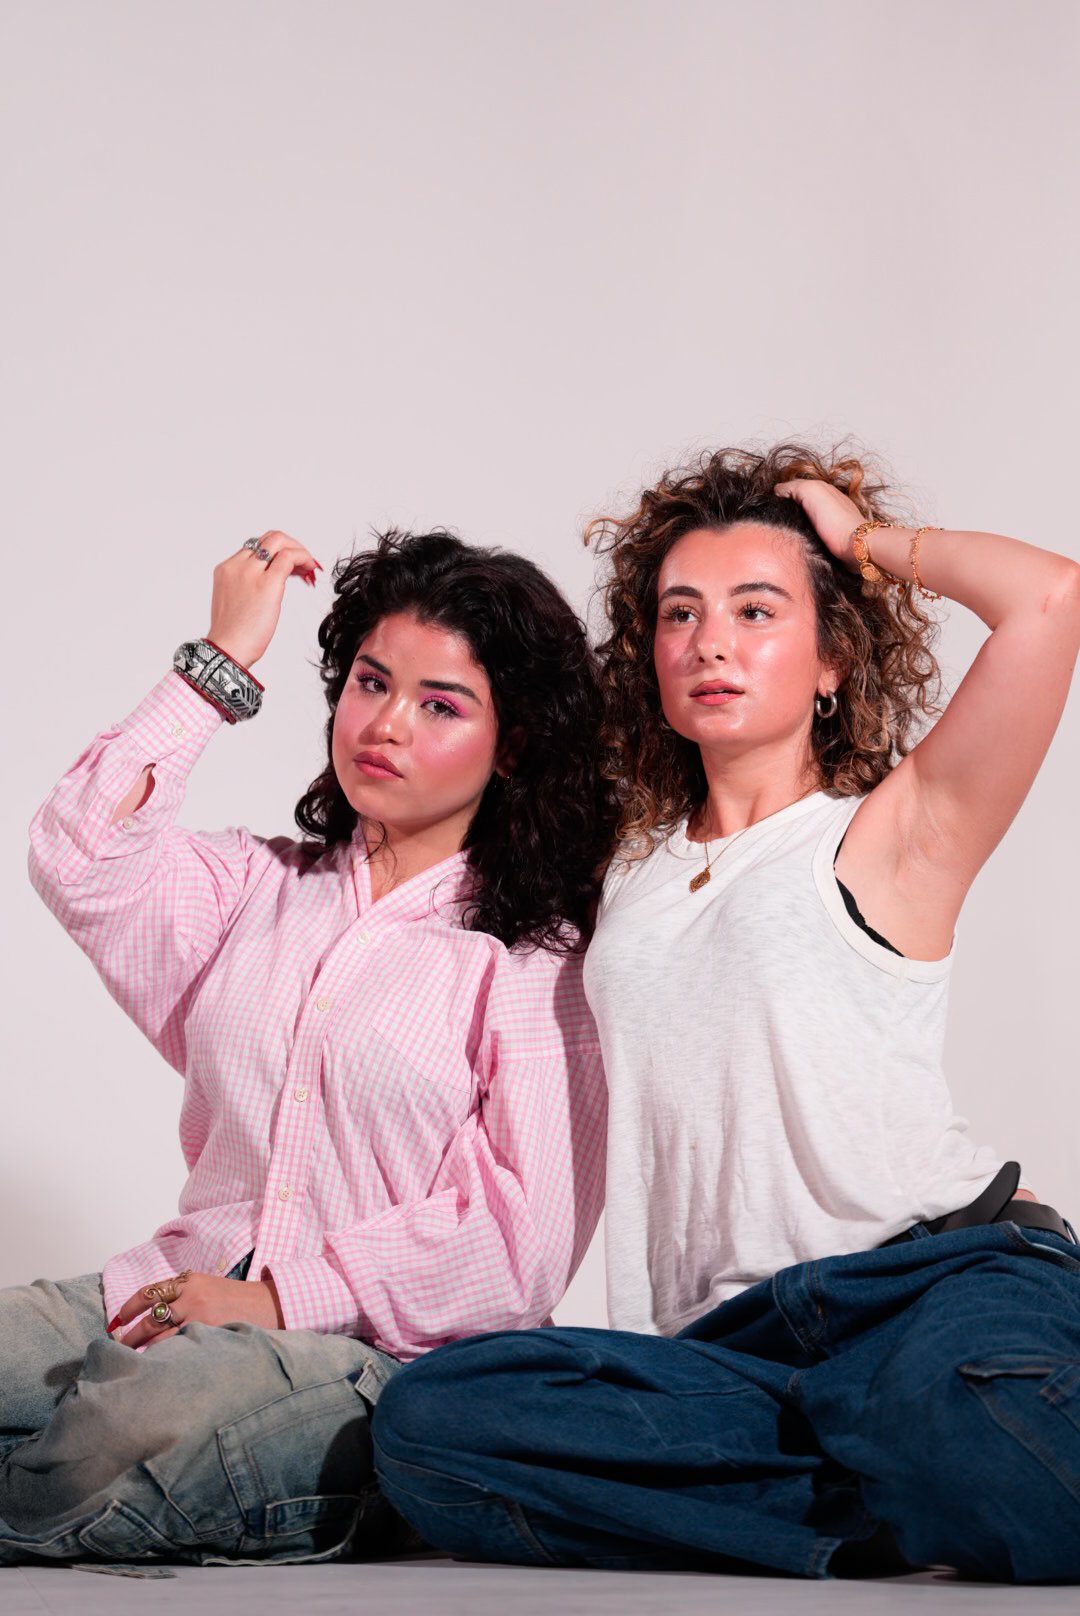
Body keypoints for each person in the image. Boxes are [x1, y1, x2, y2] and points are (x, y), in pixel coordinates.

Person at [371, 444, 1080, 1584]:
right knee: (432, 1421)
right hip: (727, 1354)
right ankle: (893, 1480)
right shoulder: (622, 871)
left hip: (925, 1287)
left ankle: (897, 1463)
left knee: (970, 1423)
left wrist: (865, 542)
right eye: (680, 613)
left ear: (832, 657)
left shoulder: (890, 831)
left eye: (756, 610)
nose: (710, 642)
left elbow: (1049, 598)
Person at [7, 525, 611, 1566]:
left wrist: (277, 1299)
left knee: (129, 1426)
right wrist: (217, 662)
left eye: (440, 704)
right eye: (371, 682)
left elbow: (516, 1242)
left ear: (512, 745)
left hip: (381, 1363)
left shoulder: (537, 959)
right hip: (171, 1291)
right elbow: (78, 853)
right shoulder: (255, 889)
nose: (386, 723)